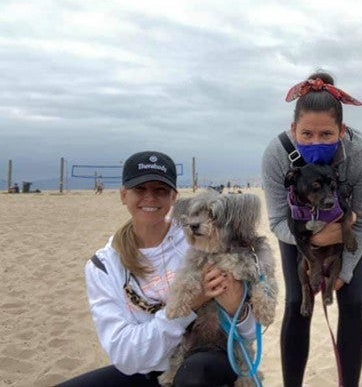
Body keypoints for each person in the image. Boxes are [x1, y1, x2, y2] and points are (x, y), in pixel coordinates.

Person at [59, 151, 257, 387]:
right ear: (123, 194)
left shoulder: (202, 240)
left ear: (174, 197)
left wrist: (238, 309)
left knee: (194, 376)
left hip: (208, 359)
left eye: (160, 190)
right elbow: (125, 355)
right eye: (140, 189)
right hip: (149, 370)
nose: (150, 198)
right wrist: (189, 305)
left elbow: (250, 332)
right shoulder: (104, 266)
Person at [262, 72, 362, 387]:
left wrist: (344, 272)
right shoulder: (276, 154)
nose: (317, 142)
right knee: (298, 304)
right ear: (293, 130)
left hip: (348, 230)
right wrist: (315, 240)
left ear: (342, 130)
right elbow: (276, 221)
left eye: (327, 134)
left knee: (353, 302)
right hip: (297, 231)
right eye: (307, 134)